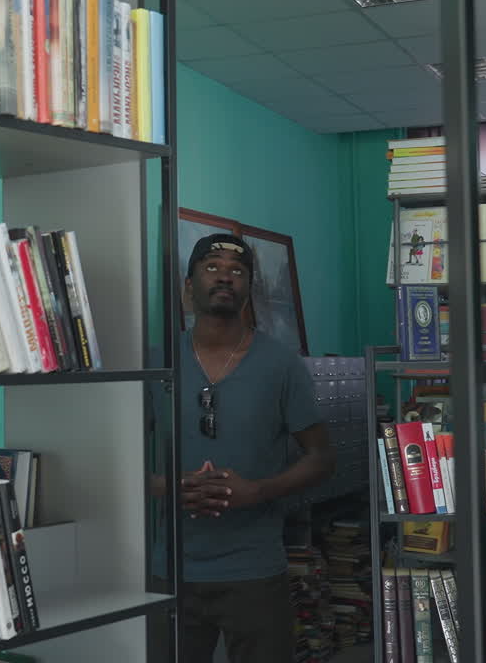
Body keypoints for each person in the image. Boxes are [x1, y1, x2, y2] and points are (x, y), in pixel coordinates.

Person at [163, 233, 334, 663]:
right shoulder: (157, 364)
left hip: (254, 570)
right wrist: (169, 485)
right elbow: (115, 459)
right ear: (188, 286)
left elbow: (322, 457)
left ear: (249, 288)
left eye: (237, 271)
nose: (225, 277)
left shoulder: (281, 364)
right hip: (170, 569)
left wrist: (257, 491)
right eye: (212, 267)